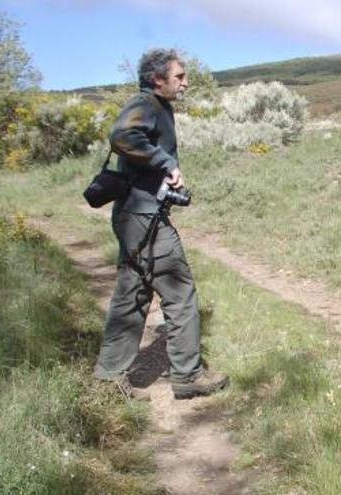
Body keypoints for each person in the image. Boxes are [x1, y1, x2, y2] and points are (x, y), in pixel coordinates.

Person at [93, 48, 229, 400]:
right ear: (157, 79)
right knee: (180, 292)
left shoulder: (157, 107)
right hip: (144, 218)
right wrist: (166, 162)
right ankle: (188, 376)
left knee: (131, 296)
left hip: (134, 215)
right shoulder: (146, 105)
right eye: (179, 76)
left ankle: (110, 381)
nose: (186, 82)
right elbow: (122, 136)